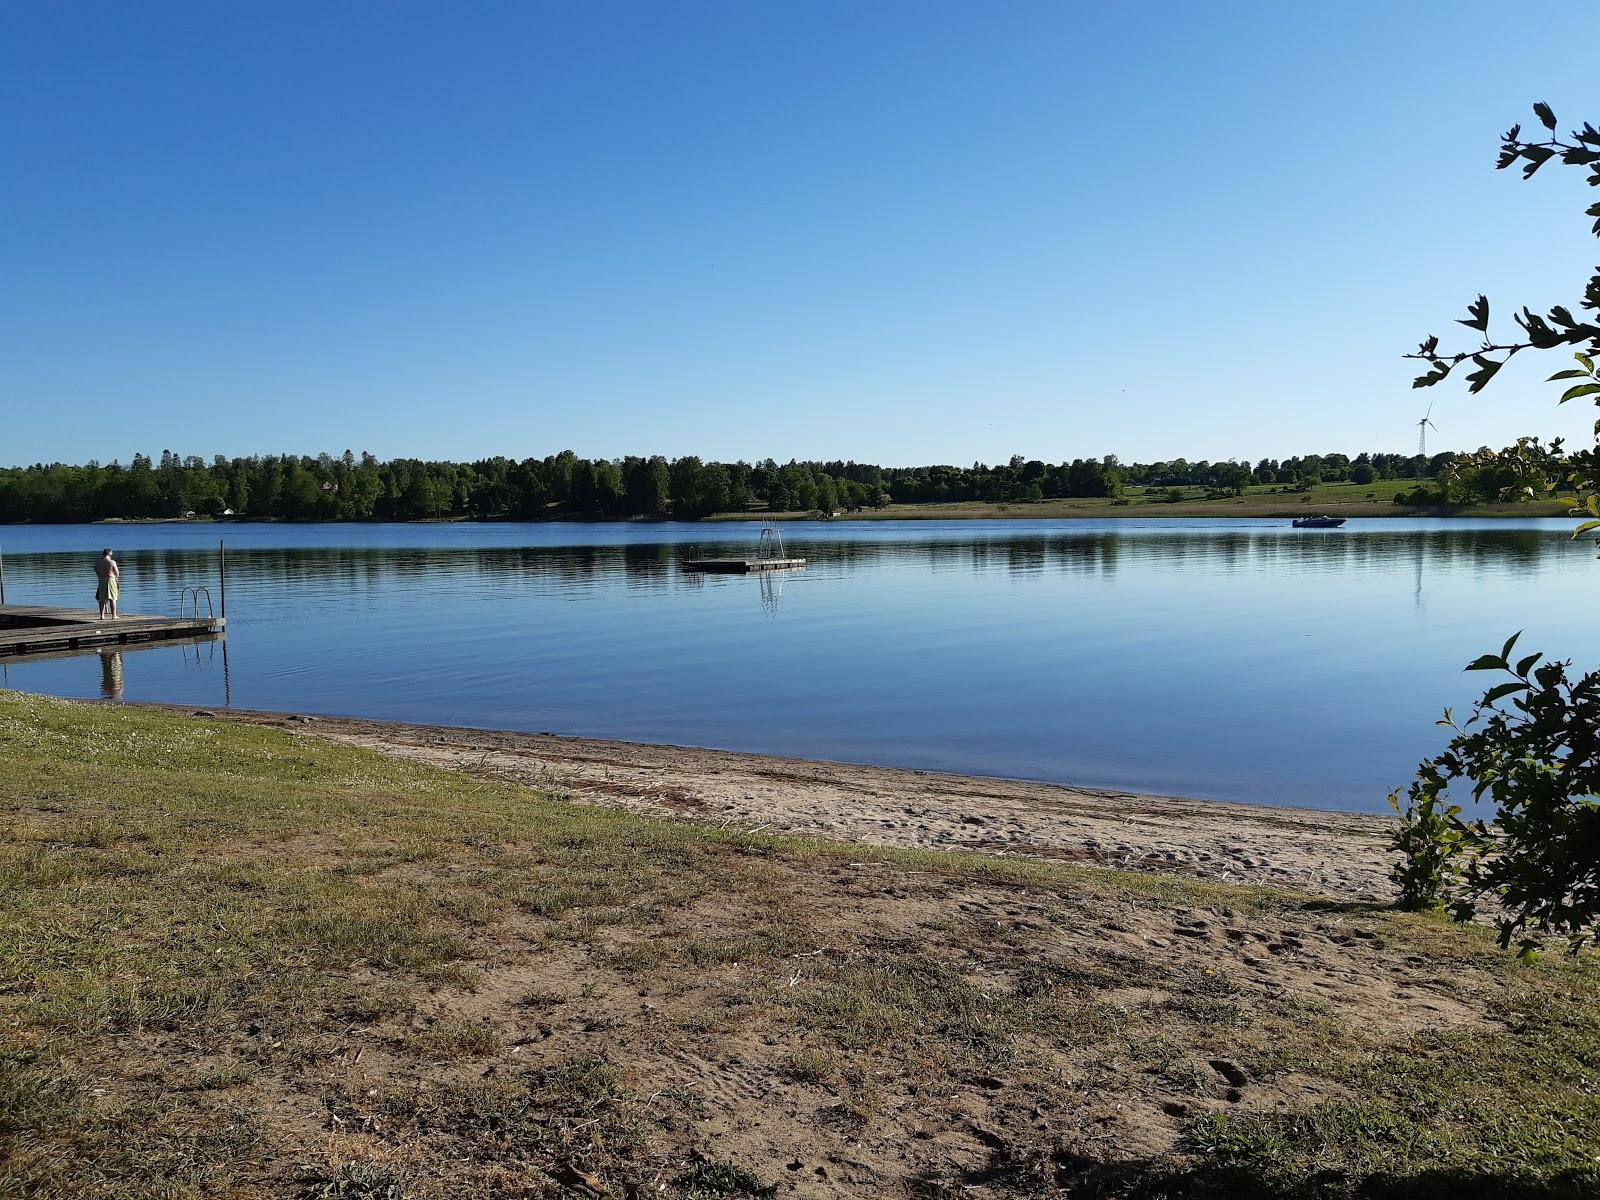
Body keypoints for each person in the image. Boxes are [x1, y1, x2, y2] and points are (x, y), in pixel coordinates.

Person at [94, 548, 120, 620]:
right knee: (113, 598)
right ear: (110, 554)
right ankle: (113, 615)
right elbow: (117, 573)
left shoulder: (97, 562)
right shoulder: (112, 562)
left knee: (102, 599)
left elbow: (96, 572)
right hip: (110, 580)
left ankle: (102, 616)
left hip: (101, 580)